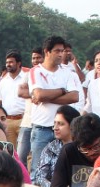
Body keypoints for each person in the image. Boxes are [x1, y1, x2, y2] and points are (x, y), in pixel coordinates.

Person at [29, 36, 80, 169]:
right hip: (42, 128)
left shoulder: (68, 73)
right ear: (47, 52)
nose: (61, 54)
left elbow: (74, 96)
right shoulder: (36, 71)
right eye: (57, 51)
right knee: (38, 169)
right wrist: (63, 90)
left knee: (65, 168)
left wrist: (46, 97)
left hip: (65, 129)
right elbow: (39, 94)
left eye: (62, 51)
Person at [32, 104, 80, 187]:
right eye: (54, 123)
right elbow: (40, 178)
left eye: (60, 124)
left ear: (72, 126)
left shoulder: (83, 148)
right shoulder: (50, 149)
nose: (55, 128)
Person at [0, 50, 29, 147]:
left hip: (24, 120)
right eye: (7, 62)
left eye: (11, 62)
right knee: (10, 151)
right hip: (8, 121)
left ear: (19, 63)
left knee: (26, 152)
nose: (8, 65)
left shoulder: (26, 78)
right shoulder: (3, 81)